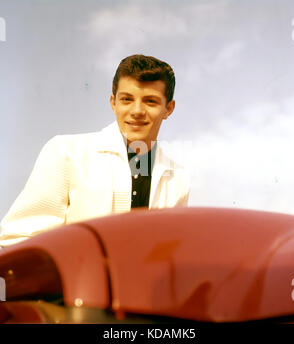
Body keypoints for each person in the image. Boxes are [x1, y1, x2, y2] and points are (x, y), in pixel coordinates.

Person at [0, 54, 190, 247]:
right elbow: (18, 237)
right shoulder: (66, 152)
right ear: (113, 102)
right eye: (127, 99)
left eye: (150, 101)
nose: (137, 111)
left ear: (169, 108)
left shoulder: (178, 178)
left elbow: (170, 252)